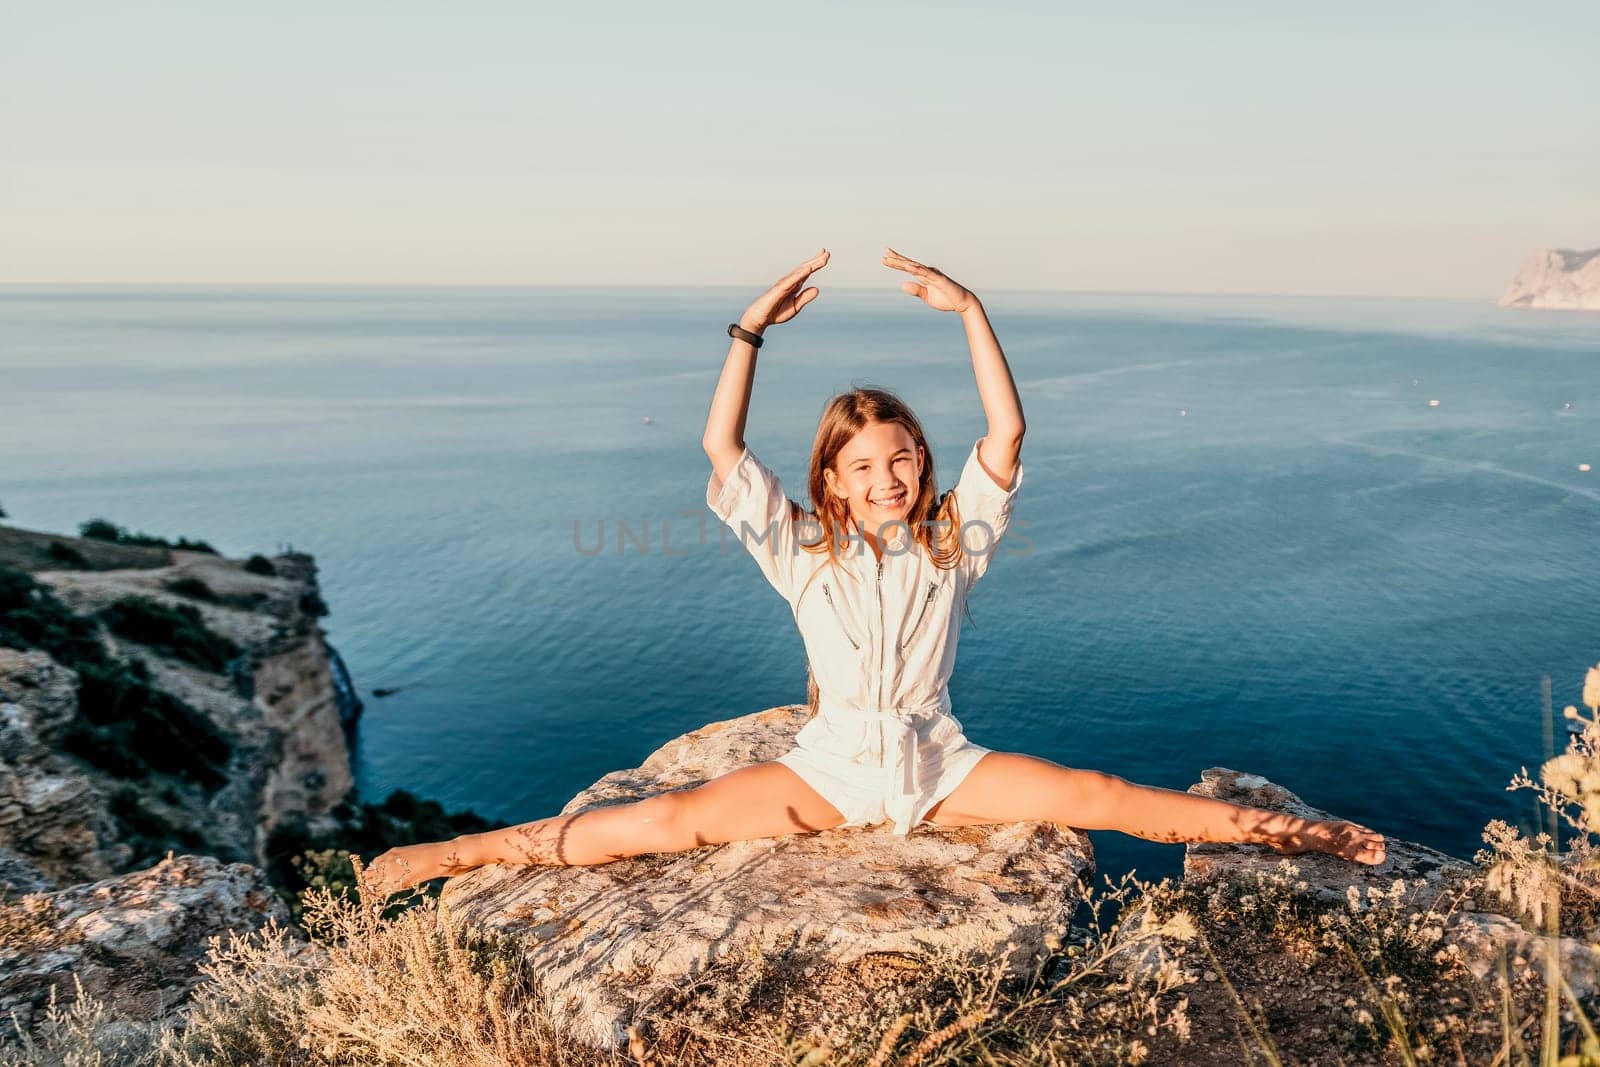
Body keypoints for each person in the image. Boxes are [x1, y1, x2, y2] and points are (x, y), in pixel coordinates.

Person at [363, 247, 1385, 897]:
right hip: (829, 765)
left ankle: (1304, 834)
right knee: (660, 824)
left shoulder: (956, 538)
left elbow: (1009, 428)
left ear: (918, 466)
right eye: (863, 465)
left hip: (940, 761)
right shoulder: (799, 548)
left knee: (1101, 791)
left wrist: (970, 306)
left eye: (901, 457)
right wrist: (748, 332)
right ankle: (444, 856)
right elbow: (721, 447)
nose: (887, 474)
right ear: (833, 480)